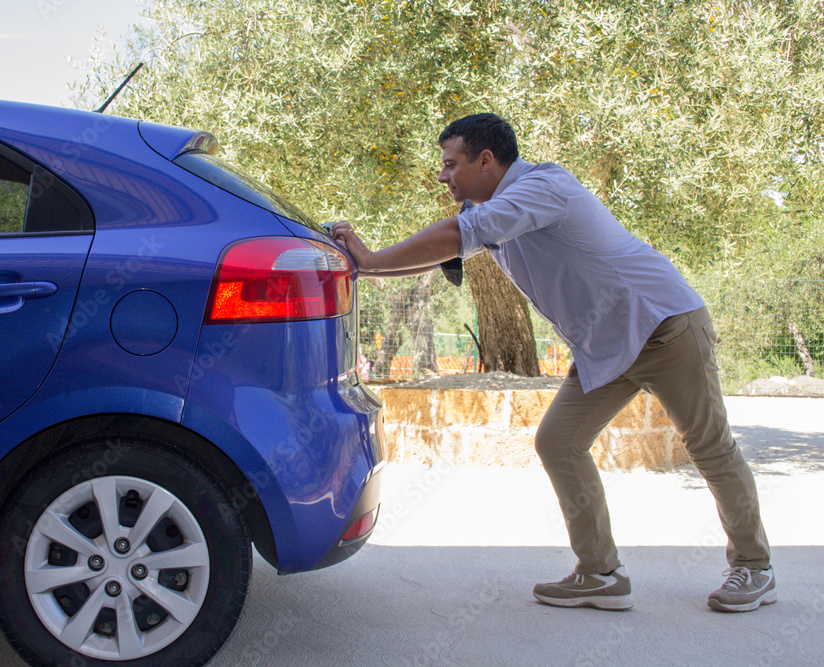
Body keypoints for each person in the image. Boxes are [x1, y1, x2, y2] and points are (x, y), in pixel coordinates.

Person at [330, 113, 774, 612]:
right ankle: (600, 572)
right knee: (558, 442)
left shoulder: (543, 186)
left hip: (663, 325)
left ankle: (754, 568)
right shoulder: (498, 209)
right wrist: (364, 264)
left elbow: (457, 234)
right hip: (605, 348)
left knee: (709, 446)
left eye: (450, 164)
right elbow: (446, 249)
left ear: (485, 159)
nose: (442, 176)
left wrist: (368, 259)